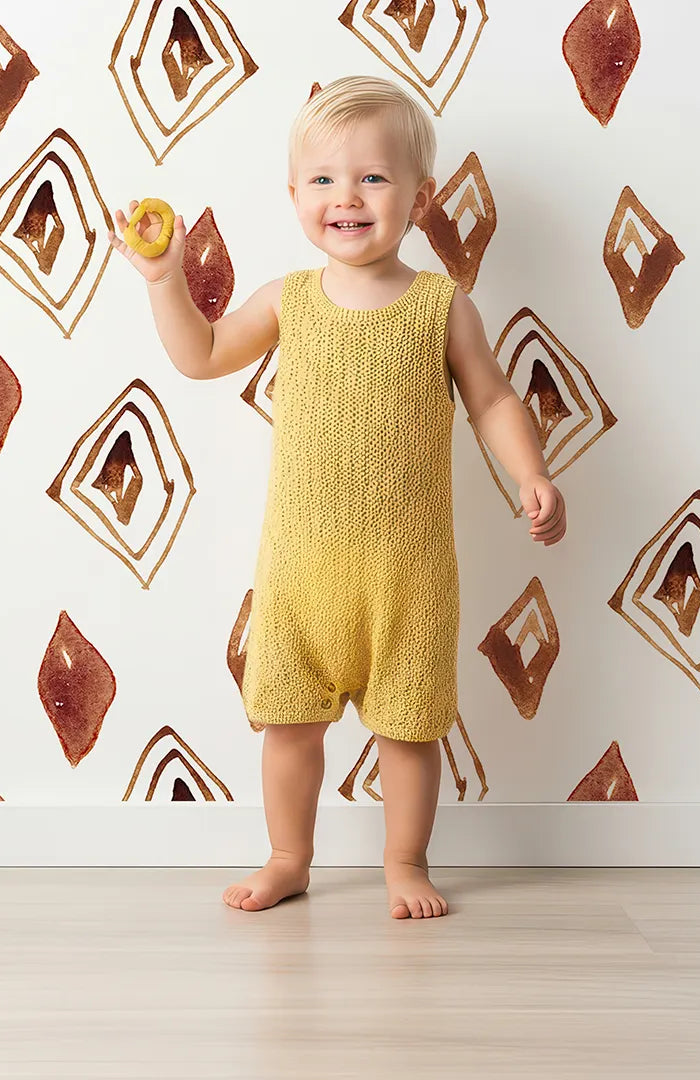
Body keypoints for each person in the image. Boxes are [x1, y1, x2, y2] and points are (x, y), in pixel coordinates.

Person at [108, 76, 566, 920]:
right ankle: (289, 856)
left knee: (411, 731)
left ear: (420, 199)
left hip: (410, 574)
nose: (345, 198)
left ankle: (405, 861)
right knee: (289, 728)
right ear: (293, 196)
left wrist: (530, 473)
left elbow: (494, 400)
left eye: (373, 179)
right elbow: (202, 355)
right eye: (322, 180)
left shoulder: (441, 307)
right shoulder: (289, 301)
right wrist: (164, 279)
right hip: (302, 573)